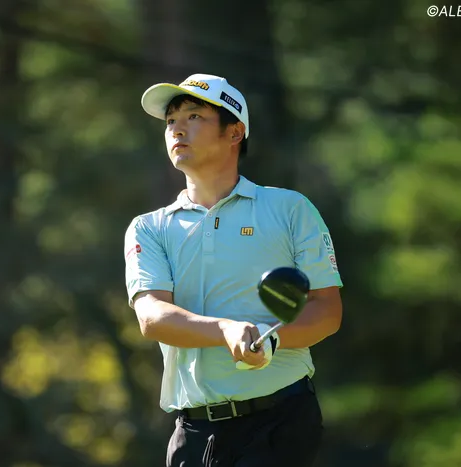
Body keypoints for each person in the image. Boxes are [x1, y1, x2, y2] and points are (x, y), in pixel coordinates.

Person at [124, 73, 343, 467]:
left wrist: (273, 340)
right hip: (193, 431)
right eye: (171, 121)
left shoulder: (290, 209)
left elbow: (327, 310)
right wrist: (226, 329)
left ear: (235, 132)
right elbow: (152, 316)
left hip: (279, 421)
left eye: (194, 116)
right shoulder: (149, 228)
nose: (177, 129)